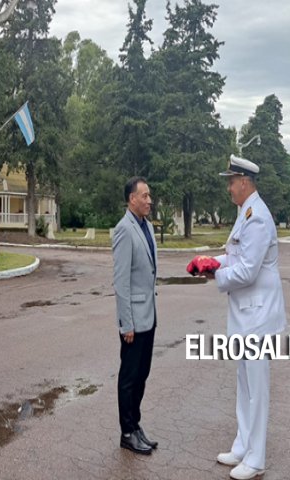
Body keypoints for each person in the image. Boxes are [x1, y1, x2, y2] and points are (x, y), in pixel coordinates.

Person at [209, 155, 287, 480]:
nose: (228, 186)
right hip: (246, 316)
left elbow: (247, 270)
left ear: (244, 182)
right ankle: (243, 446)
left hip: (258, 317)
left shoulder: (257, 218)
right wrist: (210, 261)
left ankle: (256, 458)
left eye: (231, 181)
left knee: (257, 390)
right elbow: (233, 255)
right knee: (243, 385)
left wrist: (217, 276)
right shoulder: (245, 213)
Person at [112, 176, 159, 456]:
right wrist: (125, 323)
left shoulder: (147, 227)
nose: (149, 201)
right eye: (144, 196)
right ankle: (127, 432)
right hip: (133, 321)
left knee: (142, 374)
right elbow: (121, 282)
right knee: (129, 377)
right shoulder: (124, 230)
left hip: (149, 317)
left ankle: (136, 425)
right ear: (132, 199)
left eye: (149, 196)